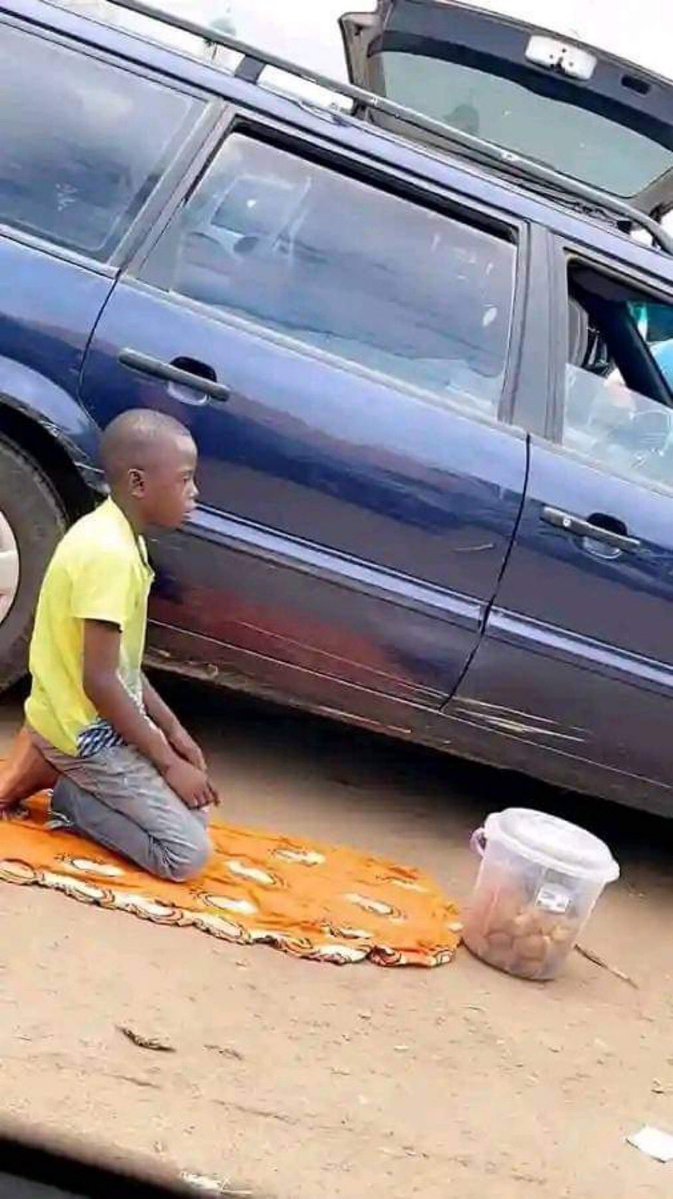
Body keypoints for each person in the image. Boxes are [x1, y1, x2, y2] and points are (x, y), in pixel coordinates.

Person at [2, 409, 217, 881]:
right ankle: (71, 797)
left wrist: (175, 734)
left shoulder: (122, 538)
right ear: (138, 483)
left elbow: (123, 667)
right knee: (186, 856)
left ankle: (78, 783)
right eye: (184, 480)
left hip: (100, 718)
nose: (195, 493)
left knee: (197, 813)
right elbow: (99, 682)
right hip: (84, 733)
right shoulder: (109, 556)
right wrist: (166, 761)